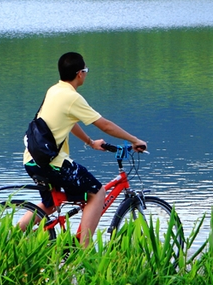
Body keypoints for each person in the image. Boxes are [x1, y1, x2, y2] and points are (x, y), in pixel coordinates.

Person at [22, 52, 147, 246]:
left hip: (32, 159)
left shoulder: (54, 90)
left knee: (50, 204)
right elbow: (105, 125)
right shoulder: (72, 97)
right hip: (50, 162)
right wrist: (134, 140)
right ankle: (84, 251)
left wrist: (90, 142)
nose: (86, 74)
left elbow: (69, 121)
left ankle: (9, 238)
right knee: (97, 193)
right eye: (85, 71)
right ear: (80, 73)